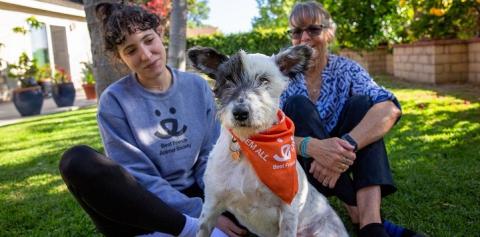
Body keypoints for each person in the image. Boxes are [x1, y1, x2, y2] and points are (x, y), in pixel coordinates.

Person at [58, 2, 248, 237]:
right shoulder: (114, 102)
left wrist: (214, 207)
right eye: (130, 50)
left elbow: (210, 157)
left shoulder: (197, 86)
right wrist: (199, 215)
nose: (146, 55)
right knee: (76, 160)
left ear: (160, 34)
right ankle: (189, 230)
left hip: (198, 194)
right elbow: (138, 178)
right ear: (120, 58)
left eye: (148, 40)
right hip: (148, 209)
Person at [280, 2, 422, 237]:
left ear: (328, 33)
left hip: (343, 157)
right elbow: (264, 134)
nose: (304, 37)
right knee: (297, 106)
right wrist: (314, 147)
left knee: (364, 105)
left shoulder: (346, 69)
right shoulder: (281, 76)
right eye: (296, 31)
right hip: (304, 168)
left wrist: (343, 149)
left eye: (313, 29)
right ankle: (360, 214)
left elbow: (389, 107)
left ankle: (370, 225)